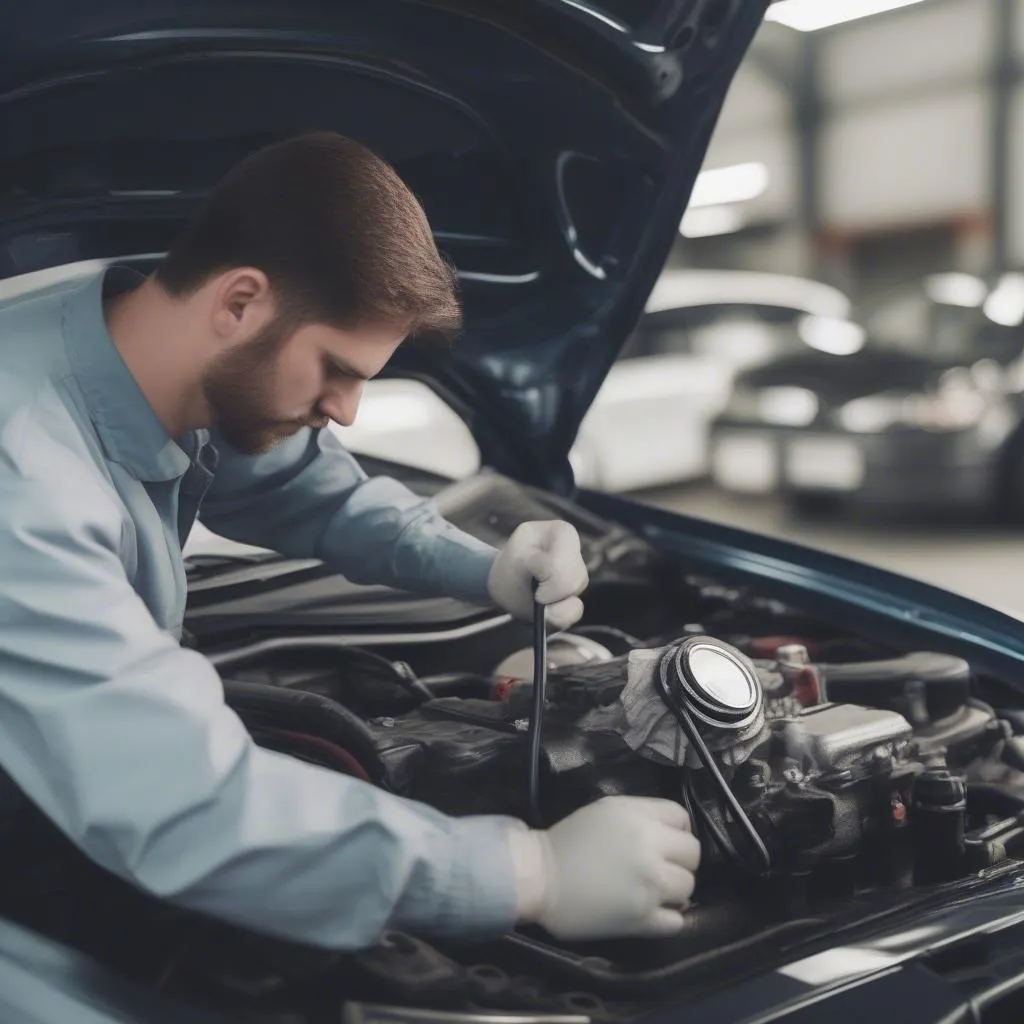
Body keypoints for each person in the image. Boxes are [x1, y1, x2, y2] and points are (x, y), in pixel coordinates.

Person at [0, 132, 699, 952]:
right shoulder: (24, 475)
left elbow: (311, 493)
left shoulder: (132, 336)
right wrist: (529, 871)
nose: (348, 411)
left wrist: (488, 569)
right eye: (338, 367)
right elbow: (177, 802)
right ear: (238, 302)